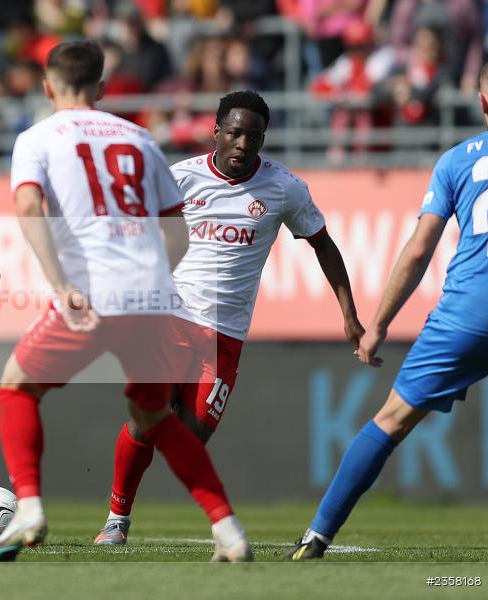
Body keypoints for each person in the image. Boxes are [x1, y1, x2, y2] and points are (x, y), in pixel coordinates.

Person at [0, 40, 251, 563]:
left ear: (47, 86)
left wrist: (61, 284)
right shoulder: (141, 138)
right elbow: (178, 236)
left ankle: (31, 507)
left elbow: (28, 207)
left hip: (91, 291)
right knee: (154, 416)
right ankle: (227, 528)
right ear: (103, 89)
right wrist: (151, 280)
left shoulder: (37, 137)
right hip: (152, 296)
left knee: (16, 387)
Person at [94, 90, 365, 546]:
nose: (243, 144)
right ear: (216, 132)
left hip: (224, 336)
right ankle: (116, 519)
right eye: (235, 133)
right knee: (145, 420)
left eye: (253, 136)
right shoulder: (179, 178)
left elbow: (324, 245)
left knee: (189, 438)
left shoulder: (284, 188)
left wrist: (349, 314)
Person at [285, 56, 488, 560]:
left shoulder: (458, 159)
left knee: (391, 419)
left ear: (483, 101)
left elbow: (421, 248)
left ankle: (316, 537)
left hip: (469, 313)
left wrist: (378, 324)